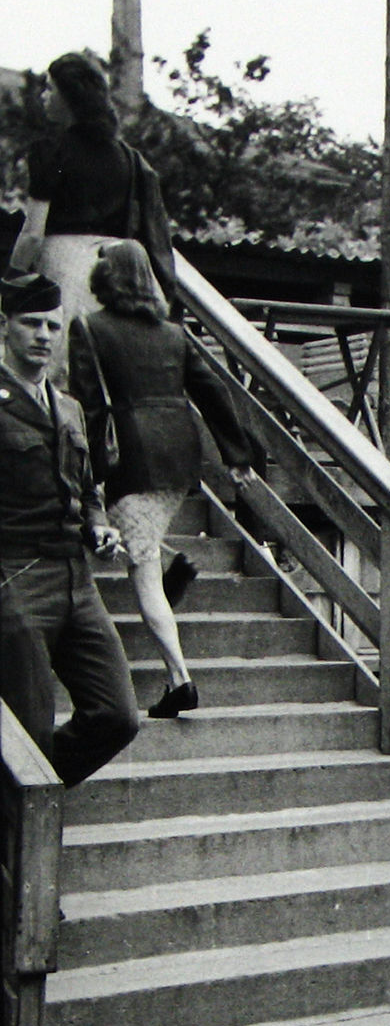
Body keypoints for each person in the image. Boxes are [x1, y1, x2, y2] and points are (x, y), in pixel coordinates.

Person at [67, 240, 254, 718]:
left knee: (133, 566)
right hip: (179, 456)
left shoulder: (90, 328)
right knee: (134, 546)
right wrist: (237, 454)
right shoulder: (174, 333)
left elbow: (88, 404)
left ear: (107, 278)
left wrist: (82, 472)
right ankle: (172, 573)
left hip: (132, 457)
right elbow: (212, 388)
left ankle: (180, 679)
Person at [0, 271, 139, 785]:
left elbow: (86, 489)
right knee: (28, 733)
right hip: (15, 578)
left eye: (52, 326)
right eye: (30, 323)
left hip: (77, 582)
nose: (42, 335)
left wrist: (98, 525)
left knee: (116, 716)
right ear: (5, 327)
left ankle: (25, 803)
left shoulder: (71, 408)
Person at [10, 51, 174, 341]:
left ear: (69, 97)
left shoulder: (50, 152)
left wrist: (11, 279)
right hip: (116, 277)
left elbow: (33, 234)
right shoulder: (128, 157)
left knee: (61, 358)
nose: (44, 97)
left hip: (63, 269)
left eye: (50, 88)